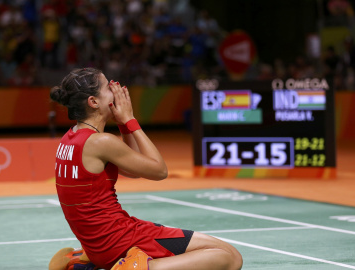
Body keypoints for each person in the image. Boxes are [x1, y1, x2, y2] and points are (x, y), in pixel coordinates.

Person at [48, 68, 243, 270]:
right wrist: (132, 121)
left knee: (214, 251)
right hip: (121, 239)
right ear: (93, 102)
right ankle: (136, 268)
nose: (115, 90)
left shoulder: (70, 138)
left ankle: (81, 263)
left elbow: (132, 170)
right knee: (230, 258)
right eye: (108, 87)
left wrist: (123, 125)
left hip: (100, 245)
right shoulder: (101, 142)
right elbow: (159, 170)